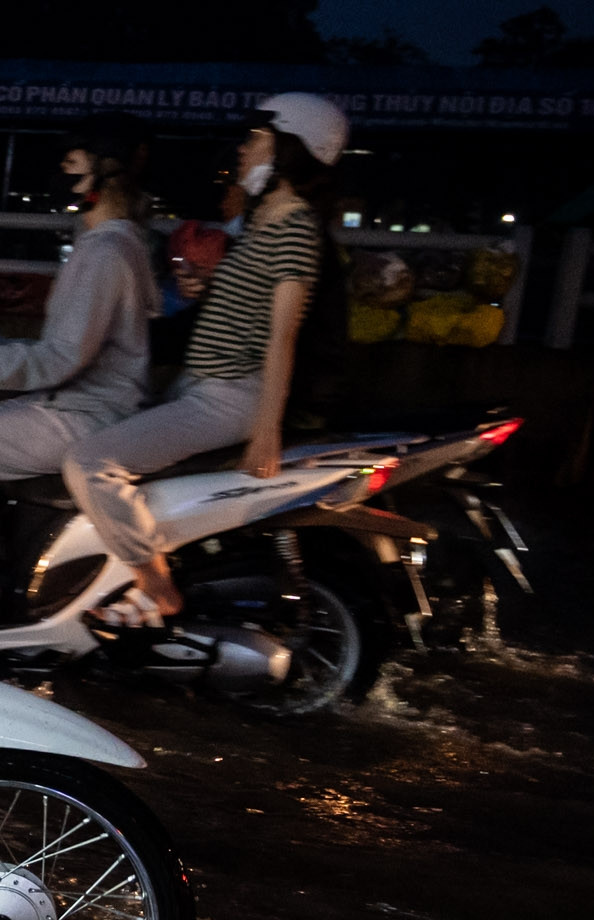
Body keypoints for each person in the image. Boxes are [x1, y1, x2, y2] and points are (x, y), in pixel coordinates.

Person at [65, 93, 348, 629]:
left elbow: (282, 336)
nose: (243, 150)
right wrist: (206, 288)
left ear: (290, 149)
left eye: (256, 139)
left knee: (90, 463)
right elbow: (251, 309)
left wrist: (267, 428)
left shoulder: (295, 229)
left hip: (229, 394)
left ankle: (157, 588)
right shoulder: (265, 223)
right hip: (200, 386)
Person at [0, 117, 160, 610]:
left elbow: (58, 359)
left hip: (85, 414)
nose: (63, 168)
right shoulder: (116, 243)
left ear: (106, 171)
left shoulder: (106, 251)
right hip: (81, 402)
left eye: (74, 159)